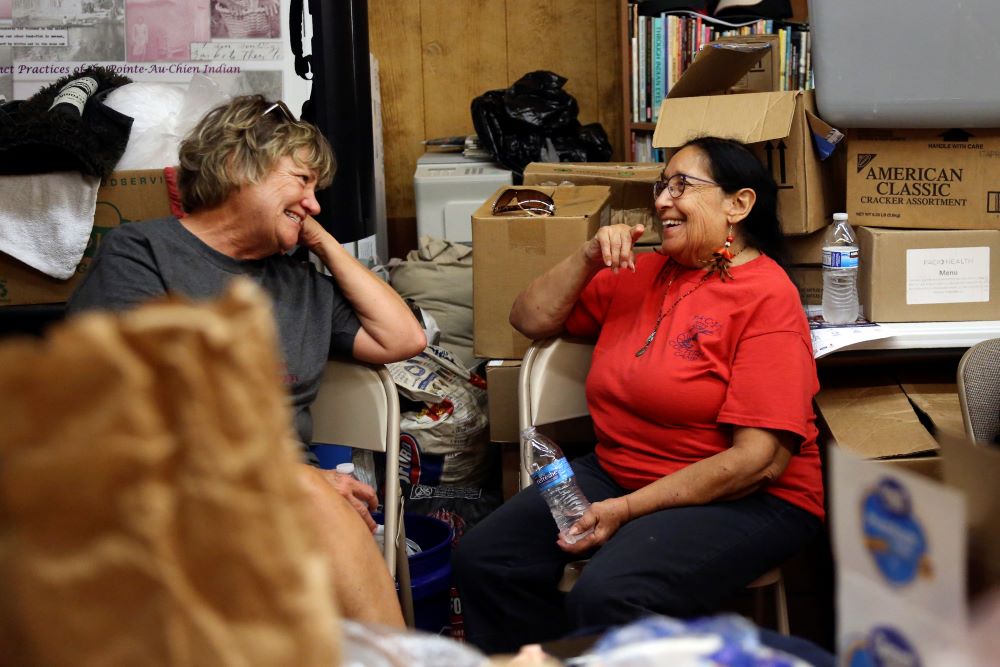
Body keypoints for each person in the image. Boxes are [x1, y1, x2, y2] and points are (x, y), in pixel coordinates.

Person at [453, 136, 824, 653]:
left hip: (750, 497)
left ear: (737, 204)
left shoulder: (767, 297)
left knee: (611, 595)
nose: (662, 201)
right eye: (660, 186)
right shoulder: (639, 273)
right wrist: (586, 256)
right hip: (622, 469)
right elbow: (527, 318)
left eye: (681, 186)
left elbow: (757, 461)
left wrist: (626, 511)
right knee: (487, 559)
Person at [68, 95, 427, 626]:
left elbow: (404, 339)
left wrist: (320, 241)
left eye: (316, 190)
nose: (314, 202)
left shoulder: (302, 286)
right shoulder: (142, 252)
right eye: (301, 181)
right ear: (239, 165)